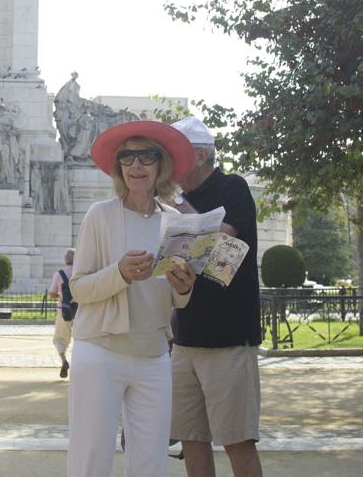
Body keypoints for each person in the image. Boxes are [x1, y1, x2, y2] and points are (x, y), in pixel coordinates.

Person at [67, 120, 198, 477]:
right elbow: (78, 287)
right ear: (118, 167)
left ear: (162, 166)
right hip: (100, 350)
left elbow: (176, 299)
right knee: (91, 458)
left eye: (147, 157)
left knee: (151, 461)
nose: (136, 165)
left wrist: (184, 288)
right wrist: (120, 273)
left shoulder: (176, 222)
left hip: (153, 355)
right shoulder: (100, 215)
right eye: (127, 158)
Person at [168, 117, 263, 477]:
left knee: (238, 441)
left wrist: (179, 208)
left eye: (178, 154)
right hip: (185, 339)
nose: (170, 162)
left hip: (228, 339)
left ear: (202, 155)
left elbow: (223, 258)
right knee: (191, 439)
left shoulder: (232, 188)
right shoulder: (176, 201)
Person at [47, 247, 76, 378]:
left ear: (65, 260)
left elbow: (52, 294)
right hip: (81, 311)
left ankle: (64, 360)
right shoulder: (81, 272)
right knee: (82, 339)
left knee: (60, 339)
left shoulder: (59, 274)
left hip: (64, 311)